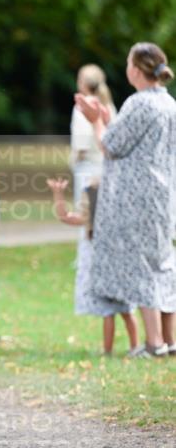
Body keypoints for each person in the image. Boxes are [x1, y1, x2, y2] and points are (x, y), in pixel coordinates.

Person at [75, 42, 176, 357]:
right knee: (162, 264)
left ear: (137, 68)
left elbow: (110, 146)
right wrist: (107, 120)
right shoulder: (169, 103)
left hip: (137, 198)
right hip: (162, 195)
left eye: (129, 63)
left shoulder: (139, 102)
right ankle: (170, 340)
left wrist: (95, 120)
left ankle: (154, 344)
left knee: (142, 267)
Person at [47, 177, 139, 355]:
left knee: (109, 312)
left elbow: (65, 217)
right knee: (126, 311)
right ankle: (134, 347)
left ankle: (108, 351)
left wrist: (58, 194)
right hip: (119, 272)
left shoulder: (92, 224)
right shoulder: (119, 222)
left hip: (105, 273)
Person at [69, 64, 117, 204]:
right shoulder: (109, 106)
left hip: (87, 167)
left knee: (85, 213)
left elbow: (81, 144)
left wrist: (75, 162)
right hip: (107, 168)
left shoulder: (82, 106)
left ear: (83, 83)